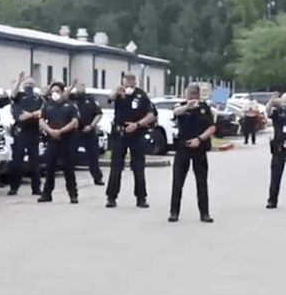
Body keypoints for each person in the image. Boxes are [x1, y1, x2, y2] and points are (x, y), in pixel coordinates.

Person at [106, 73, 156, 208]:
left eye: (130, 81)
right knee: (116, 166)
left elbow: (151, 115)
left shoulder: (141, 95)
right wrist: (117, 92)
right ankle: (111, 197)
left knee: (138, 166)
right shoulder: (119, 94)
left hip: (137, 132)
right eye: (125, 81)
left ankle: (141, 198)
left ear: (134, 82)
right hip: (119, 133)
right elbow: (109, 98)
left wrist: (137, 124)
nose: (127, 84)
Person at [168, 82, 216, 223]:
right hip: (183, 147)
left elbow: (212, 128)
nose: (189, 95)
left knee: (202, 182)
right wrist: (187, 107)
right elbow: (175, 112)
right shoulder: (181, 106)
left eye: (191, 93)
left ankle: (204, 213)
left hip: (199, 148)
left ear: (197, 94)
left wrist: (200, 139)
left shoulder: (204, 108)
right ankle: (174, 212)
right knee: (178, 182)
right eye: (188, 93)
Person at [38, 81, 80, 204]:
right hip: (52, 140)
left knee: (69, 169)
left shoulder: (70, 106)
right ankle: (47, 194)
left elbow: (75, 122)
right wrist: (50, 131)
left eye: (57, 91)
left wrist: (61, 131)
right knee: (50, 168)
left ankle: (73, 194)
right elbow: (41, 121)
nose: (54, 94)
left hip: (67, 140)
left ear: (63, 92)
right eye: (52, 92)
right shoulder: (47, 105)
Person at [8, 74, 44, 197]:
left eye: (31, 85)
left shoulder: (37, 98)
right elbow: (19, 115)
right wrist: (18, 82)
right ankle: (14, 187)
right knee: (17, 161)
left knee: (35, 162)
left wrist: (30, 114)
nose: (29, 87)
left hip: (33, 132)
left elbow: (42, 112)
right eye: (27, 85)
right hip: (20, 132)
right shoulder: (19, 97)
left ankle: (36, 188)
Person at [71, 81, 105, 185]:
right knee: (70, 155)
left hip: (89, 131)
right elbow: (63, 96)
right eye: (78, 87)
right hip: (75, 132)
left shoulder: (90, 100)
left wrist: (91, 126)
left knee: (93, 156)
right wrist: (71, 86)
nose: (80, 89)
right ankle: (70, 179)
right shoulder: (72, 98)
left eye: (82, 87)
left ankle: (97, 177)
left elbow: (99, 114)